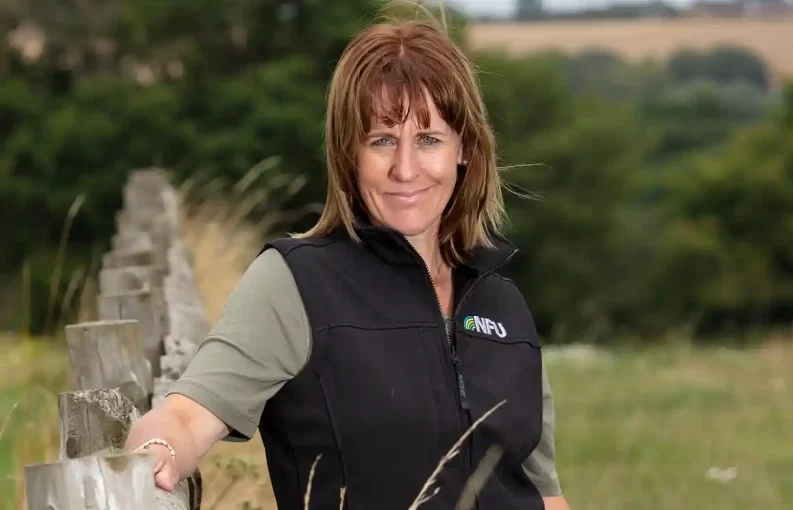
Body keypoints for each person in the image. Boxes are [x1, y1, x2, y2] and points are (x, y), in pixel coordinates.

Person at [125, 12, 571, 510]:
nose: (405, 169)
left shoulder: (503, 304)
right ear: (348, 153)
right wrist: (158, 448)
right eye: (381, 140)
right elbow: (187, 414)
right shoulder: (296, 284)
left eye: (428, 140)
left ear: (463, 148)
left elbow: (544, 495)